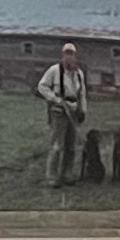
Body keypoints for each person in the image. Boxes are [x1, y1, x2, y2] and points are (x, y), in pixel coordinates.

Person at [36, 40, 89, 185]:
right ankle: (52, 177)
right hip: (59, 112)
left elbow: (82, 94)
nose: (69, 57)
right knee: (56, 145)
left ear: (75, 56)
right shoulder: (54, 70)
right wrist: (55, 99)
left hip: (73, 111)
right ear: (62, 56)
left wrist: (83, 110)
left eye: (71, 54)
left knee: (71, 146)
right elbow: (42, 87)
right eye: (66, 54)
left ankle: (67, 174)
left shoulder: (79, 74)